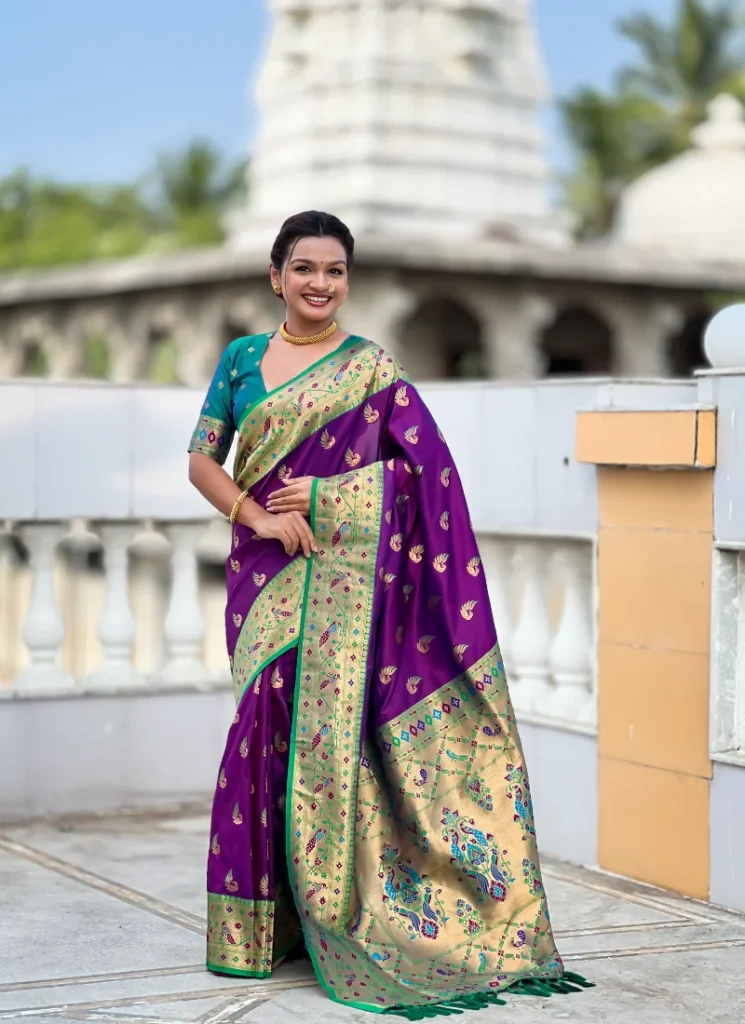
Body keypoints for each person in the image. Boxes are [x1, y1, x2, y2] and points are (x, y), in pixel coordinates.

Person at [187, 211, 591, 1018]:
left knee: (328, 742)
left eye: (334, 270)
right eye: (304, 268)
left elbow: (428, 478)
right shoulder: (239, 360)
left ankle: (332, 913)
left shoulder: (372, 370)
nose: (319, 283)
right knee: (261, 730)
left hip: (346, 577)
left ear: (347, 280)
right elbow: (203, 459)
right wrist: (257, 518)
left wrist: (332, 497)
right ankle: (258, 930)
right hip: (265, 574)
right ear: (275, 276)